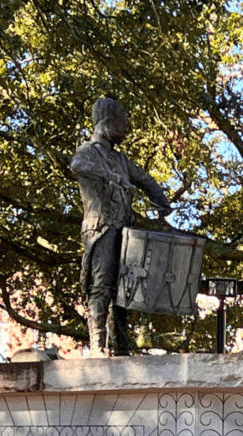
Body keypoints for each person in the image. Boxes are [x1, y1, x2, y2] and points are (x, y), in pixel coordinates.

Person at [70, 98, 171, 356]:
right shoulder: (88, 151)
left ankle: (122, 346)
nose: (125, 131)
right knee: (101, 285)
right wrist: (111, 176)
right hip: (101, 228)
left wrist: (160, 199)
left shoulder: (122, 159)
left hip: (125, 232)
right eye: (122, 125)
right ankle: (97, 346)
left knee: (123, 290)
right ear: (106, 124)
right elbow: (77, 165)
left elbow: (145, 179)